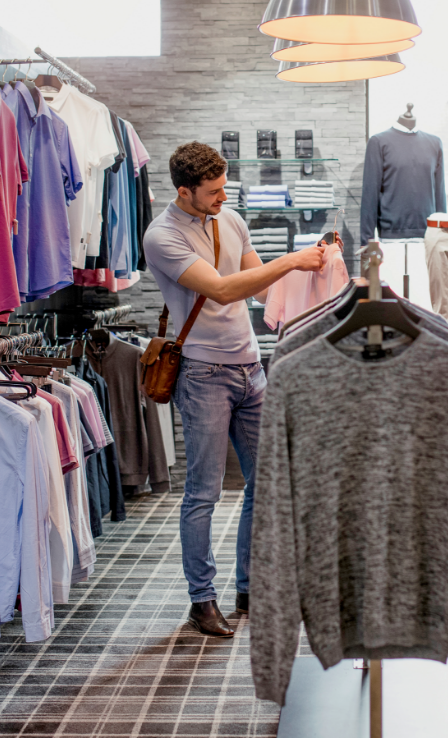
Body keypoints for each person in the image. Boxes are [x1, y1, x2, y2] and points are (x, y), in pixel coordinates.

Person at [143, 142, 327, 638]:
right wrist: (292, 260)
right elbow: (223, 290)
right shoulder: (161, 236)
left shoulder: (233, 219)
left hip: (252, 367)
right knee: (202, 493)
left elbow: (261, 288)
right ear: (184, 192)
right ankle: (202, 601)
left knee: (265, 483)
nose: (224, 197)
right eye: (214, 192)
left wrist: (321, 282)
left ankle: (251, 587)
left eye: (226, 188)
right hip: (203, 374)